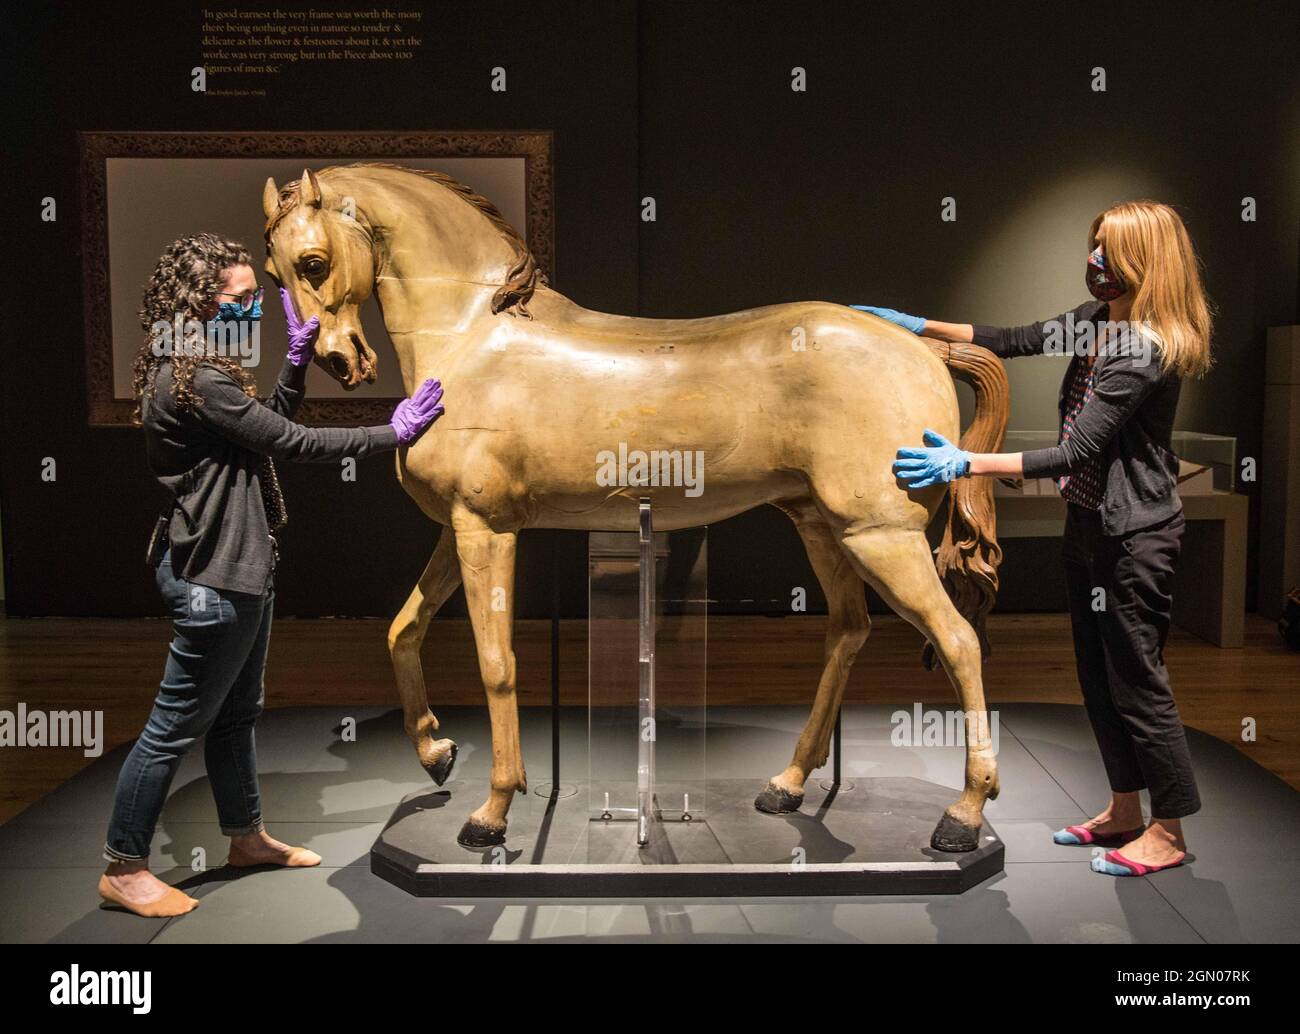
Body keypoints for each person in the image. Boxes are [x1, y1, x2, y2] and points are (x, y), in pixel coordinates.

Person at [859, 200, 1213, 877]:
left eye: (1109, 251)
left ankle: (1168, 831)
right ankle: (1124, 809)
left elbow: (1074, 452)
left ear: (1145, 261)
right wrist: (915, 324)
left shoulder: (1140, 348)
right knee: (1095, 674)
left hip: (1135, 535)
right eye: (1094, 246)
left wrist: (966, 463)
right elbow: (1014, 337)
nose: (1095, 262)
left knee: (1138, 681)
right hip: (1091, 526)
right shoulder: (1093, 324)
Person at [100, 233, 444, 917]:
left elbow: (266, 432)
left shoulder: (198, 371)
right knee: (172, 728)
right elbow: (294, 443)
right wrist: (392, 432)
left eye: (255, 298)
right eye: (240, 299)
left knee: (235, 717)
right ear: (197, 302)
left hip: (236, 568)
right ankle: (123, 865)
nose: (253, 309)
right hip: (214, 576)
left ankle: (245, 837)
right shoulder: (194, 379)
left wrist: (293, 368)